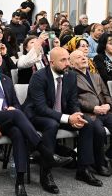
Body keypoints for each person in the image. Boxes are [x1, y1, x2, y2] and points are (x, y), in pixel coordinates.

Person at [0, 43, 58, 196]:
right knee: (16, 116)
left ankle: (19, 182)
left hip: (6, 119)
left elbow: (16, 105)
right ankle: (44, 151)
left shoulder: (6, 79)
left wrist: (12, 108)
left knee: (18, 131)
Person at [23, 46, 105, 187]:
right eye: (63, 60)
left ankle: (83, 169)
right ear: (52, 62)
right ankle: (46, 173)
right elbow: (41, 108)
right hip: (37, 116)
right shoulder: (39, 77)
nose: (67, 63)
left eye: (68, 59)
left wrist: (76, 115)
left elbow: (73, 101)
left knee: (87, 122)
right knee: (51, 124)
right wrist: (68, 118)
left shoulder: (70, 75)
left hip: (60, 114)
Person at [69, 50, 112, 172]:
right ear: (71, 64)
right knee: (99, 131)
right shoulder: (71, 78)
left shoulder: (96, 76)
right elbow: (74, 100)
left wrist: (108, 105)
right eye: (79, 57)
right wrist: (93, 108)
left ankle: (107, 157)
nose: (84, 58)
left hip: (104, 111)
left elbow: (106, 93)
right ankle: (99, 163)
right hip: (89, 114)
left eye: (84, 56)